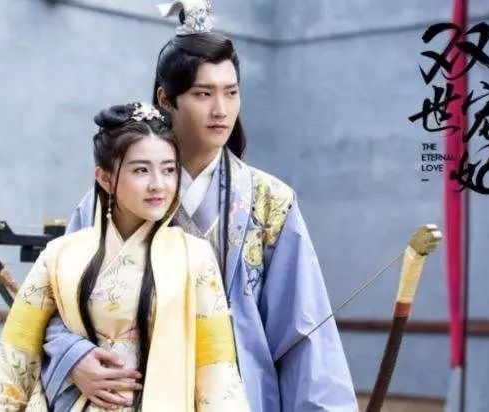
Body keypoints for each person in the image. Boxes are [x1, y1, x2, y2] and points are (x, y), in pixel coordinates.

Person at [43, 1, 358, 411]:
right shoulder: (112, 197)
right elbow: (51, 305)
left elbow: (305, 335)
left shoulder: (270, 203)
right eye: (203, 94)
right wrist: (74, 359)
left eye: (231, 92)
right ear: (166, 99)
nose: (221, 110)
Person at [0, 103, 249, 411]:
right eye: (141, 170)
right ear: (105, 178)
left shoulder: (195, 257)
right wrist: (72, 360)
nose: (159, 184)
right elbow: (14, 355)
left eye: (169, 169)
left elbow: (217, 371)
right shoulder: (60, 256)